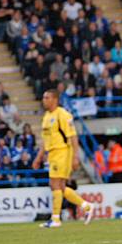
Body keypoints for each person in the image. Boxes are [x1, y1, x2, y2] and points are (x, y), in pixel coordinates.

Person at [32, 89, 95, 228]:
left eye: (47, 97)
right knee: (60, 186)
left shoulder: (63, 115)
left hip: (63, 152)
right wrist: (38, 157)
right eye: (43, 97)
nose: (44, 100)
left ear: (55, 99)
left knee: (54, 184)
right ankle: (86, 206)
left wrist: (75, 157)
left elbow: (72, 136)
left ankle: (55, 219)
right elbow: (45, 140)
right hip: (52, 154)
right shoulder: (47, 116)